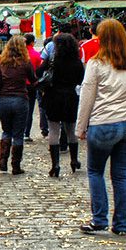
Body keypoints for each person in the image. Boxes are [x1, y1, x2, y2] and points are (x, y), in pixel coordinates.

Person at [75, 19, 126, 236]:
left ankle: (99, 219)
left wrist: (80, 128)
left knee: (95, 171)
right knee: (120, 175)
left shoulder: (96, 63)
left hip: (104, 124)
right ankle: (121, 224)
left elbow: (87, 97)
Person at [0, 35, 36, 174]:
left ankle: (2, 163)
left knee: (6, 131)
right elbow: (33, 80)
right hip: (20, 99)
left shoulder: (2, 63)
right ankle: (16, 166)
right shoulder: (26, 62)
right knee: (18, 134)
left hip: (3, 100)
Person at [40, 33, 85, 177]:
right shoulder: (77, 62)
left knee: (53, 130)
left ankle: (55, 165)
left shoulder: (52, 60)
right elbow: (81, 80)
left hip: (53, 96)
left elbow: (39, 72)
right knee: (71, 130)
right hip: (70, 97)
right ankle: (74, 160)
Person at [24, 34, 43, 142]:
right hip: (31, 85)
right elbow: (39, 70)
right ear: (32, 42)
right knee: (29, 109)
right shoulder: (36, 55)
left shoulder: (19, 54)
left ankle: (19, 131)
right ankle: (26, 133)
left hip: (20, 85)